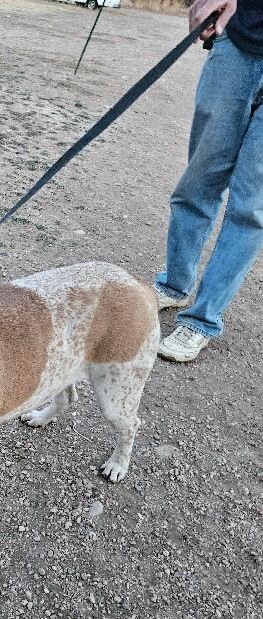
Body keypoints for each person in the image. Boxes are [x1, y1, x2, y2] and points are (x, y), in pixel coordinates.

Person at [155, 0, 263, 362]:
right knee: (198, 182)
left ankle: (202, 318)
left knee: (250, 207)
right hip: (240, 39)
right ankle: (175, 284)